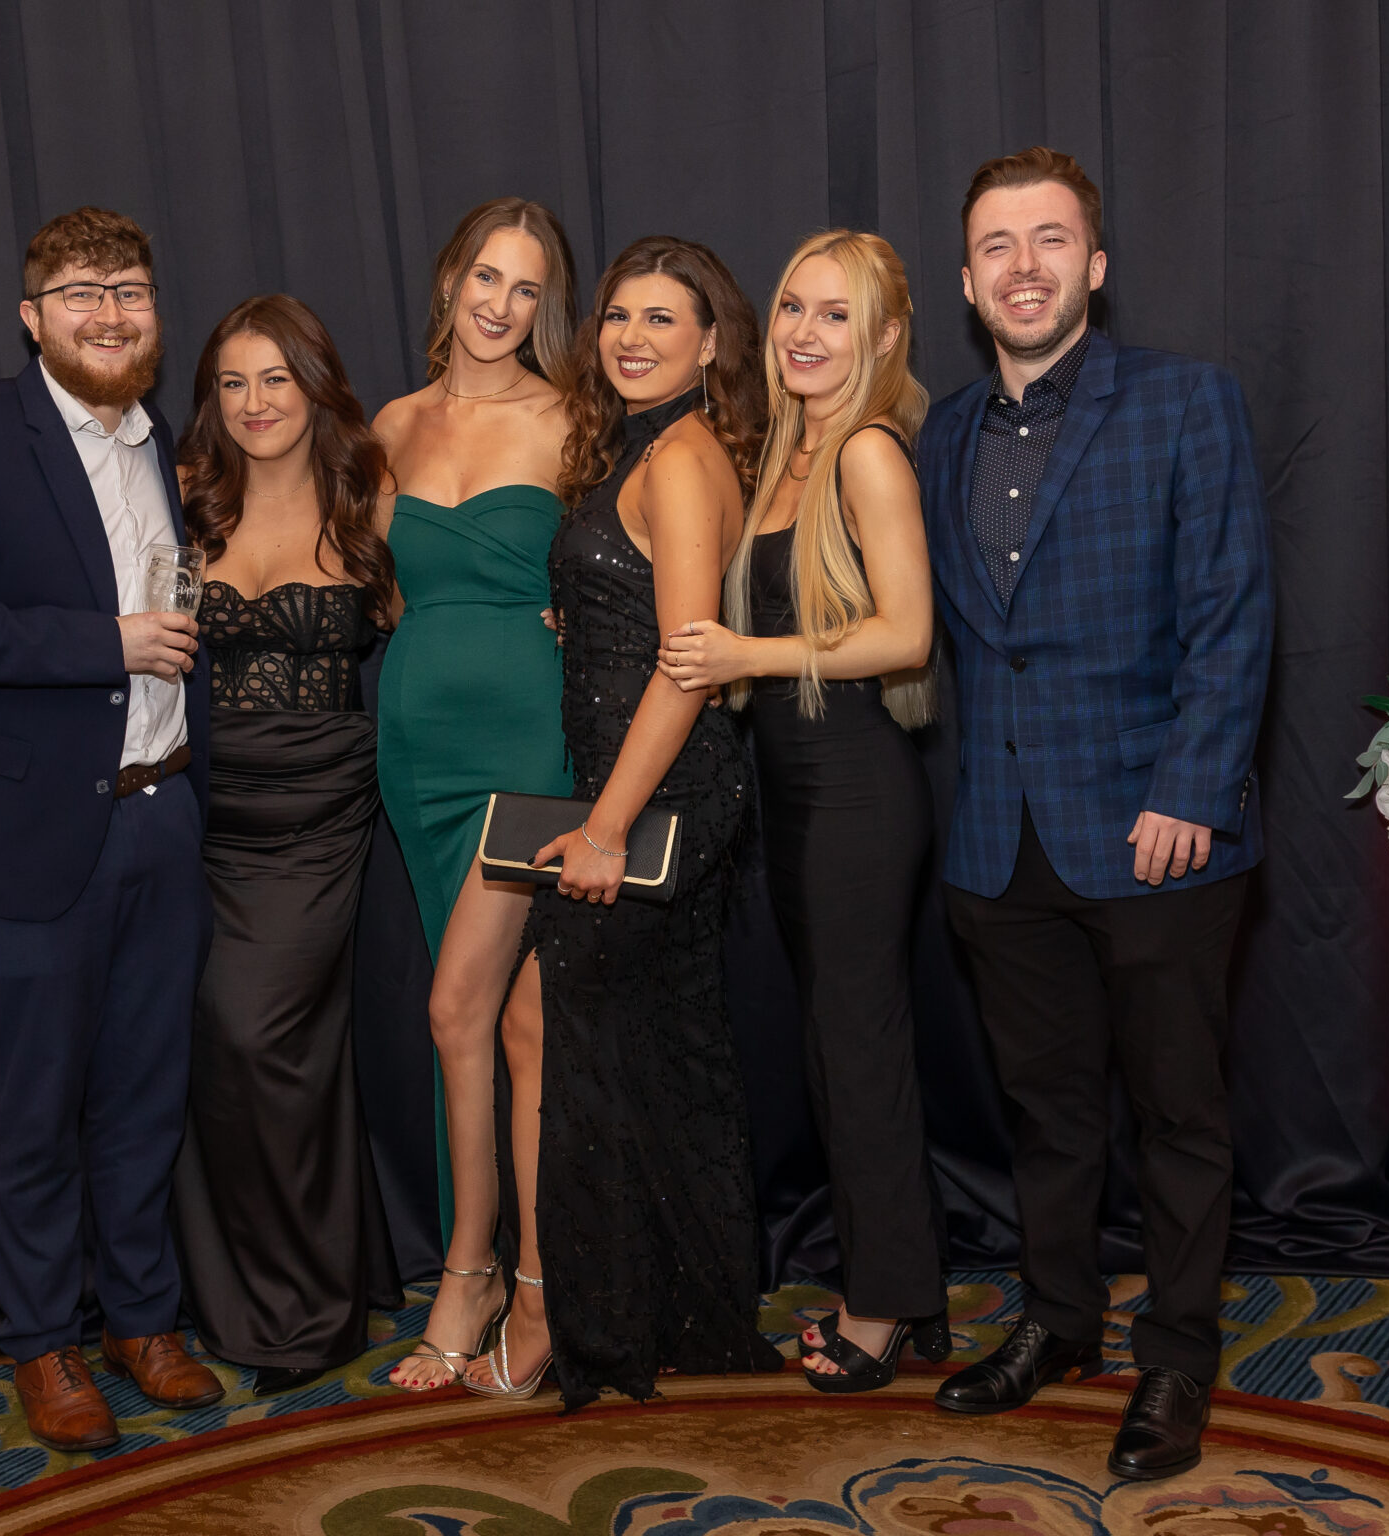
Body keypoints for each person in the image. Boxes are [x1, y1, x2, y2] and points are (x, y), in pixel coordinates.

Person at [920, 148, 1272, 1480]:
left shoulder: (1188, 401)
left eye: (1051, 239)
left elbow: (1233, 612)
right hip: (999, 841)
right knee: (1048, 1113)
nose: (1025, 267)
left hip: (1157, 833)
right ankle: (1058, 1320)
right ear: (968, 283)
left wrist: (1192, 787)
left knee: (1179, 1114)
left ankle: (1177, 1358)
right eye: (997, 246)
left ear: (1096, 265)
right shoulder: (942, 434)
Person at [0, 207, 222, 1451]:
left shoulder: (161, 441)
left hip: (161, 816)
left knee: (145, 1098)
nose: (108, 314)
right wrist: (104, 644)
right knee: (35, 1108)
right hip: (24, 831)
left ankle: (143, 1320)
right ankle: (41, 1343)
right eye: (81, 292)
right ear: (33, 318)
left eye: (129, 291)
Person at [468, 236, 784, 1409]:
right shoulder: (643, 449)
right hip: (638, 787)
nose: (633, 338)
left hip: (662, 798)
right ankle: (670, 1313)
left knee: (579, 1042)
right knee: (652, 1052)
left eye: (663, 320)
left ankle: (576, 1323)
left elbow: (685, 665)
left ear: (711, 345)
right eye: (618, 317)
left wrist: (604, 831)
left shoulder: (685, 457)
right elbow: (639, 609)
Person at [657, 229, 950, 1392]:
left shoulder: (866, 450)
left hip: (858, 790)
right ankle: (902, 1283)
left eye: (836, 315)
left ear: (884, 337)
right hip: (796, 790)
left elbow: (906, 636)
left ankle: (883, 1307)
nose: (805, 333)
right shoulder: (788, 450)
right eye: (793, 308)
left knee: (857, 1049)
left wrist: (749, 653)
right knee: (838, 1049)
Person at [169, 294, 403, 1395]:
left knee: (259, 1033)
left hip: (318, 810)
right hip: (200, 808)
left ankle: (303, 1307)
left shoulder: (370, 495)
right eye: (233, 382)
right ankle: (245, 1291)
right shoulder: (183, 499)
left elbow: (450, 602)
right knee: (211, 1046)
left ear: (317, 386)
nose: (256, 402)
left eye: (276, 379)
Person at [372, 198, 578, 1392]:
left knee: (460, 1011)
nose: (500, 306)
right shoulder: (393, 425)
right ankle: (529, 1278)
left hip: (532, 746)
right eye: (486, 279)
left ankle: (483, 1273)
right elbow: (386, 588)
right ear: (451, 280)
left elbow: (621, 562)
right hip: (418, 750)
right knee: (516, 1021)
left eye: (525, 288)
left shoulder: (569, 418)